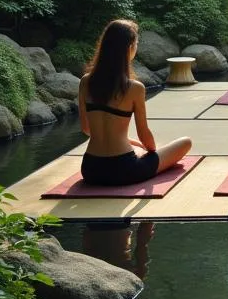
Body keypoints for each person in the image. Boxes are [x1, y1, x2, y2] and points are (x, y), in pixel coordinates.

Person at [77, 19, 192, 185]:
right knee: (185, 142)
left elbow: (87, 129)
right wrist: (150, 151)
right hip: (125, 169)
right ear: (130, 47)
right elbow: (145, 137)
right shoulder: (135, 88)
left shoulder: (85, 82)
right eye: (136, 43)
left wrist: (132, 143)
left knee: (138, 147)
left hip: (91, 169)